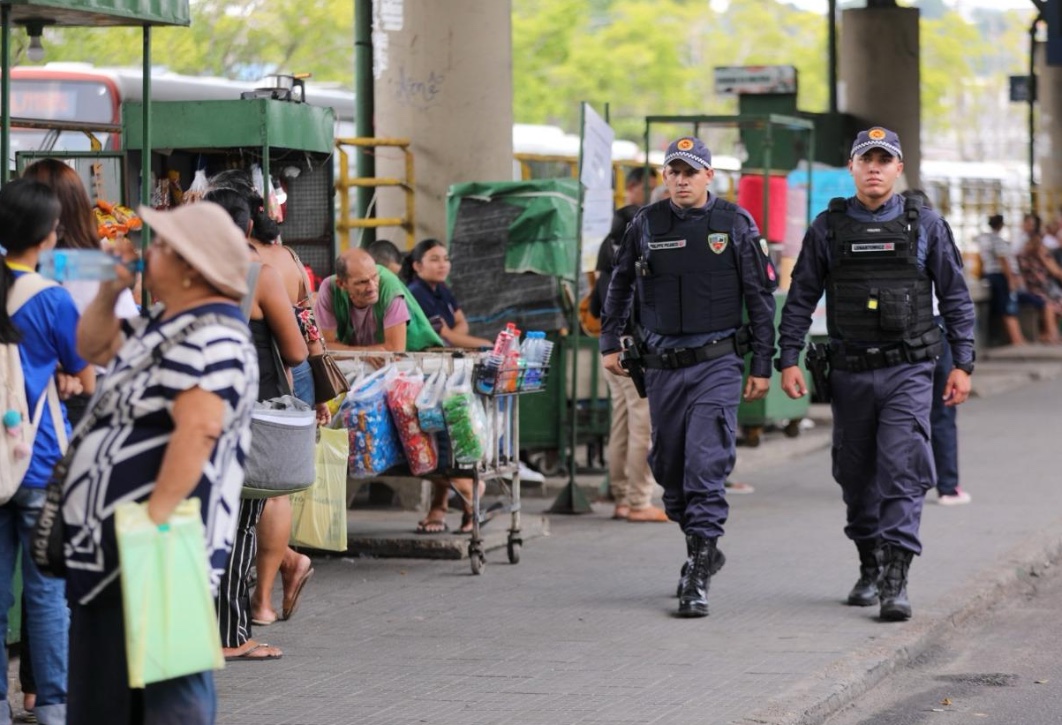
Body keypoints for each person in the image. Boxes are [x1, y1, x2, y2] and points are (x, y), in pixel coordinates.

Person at [65, 201, 259, 723]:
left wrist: (151, 527)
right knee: (105, 700)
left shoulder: (214, 334)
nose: (146, 252)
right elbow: (91, 346)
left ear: (191, 266)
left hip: (161, 550)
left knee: (170, 704)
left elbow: (198, 430)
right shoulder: (161, 322)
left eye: (160, 245)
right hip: (115, 552)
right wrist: (111, 288)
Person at [777, 127, 976, 622]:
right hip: (849, 371)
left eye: (884, 160)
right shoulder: (828, 227)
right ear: (852, 167)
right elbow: (800, 297)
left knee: (903, 470)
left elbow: (955, 298)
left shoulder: (926, 225)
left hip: (909, 369)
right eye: (866, 159)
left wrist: (964, 363)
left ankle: (896, 577)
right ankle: (869, 560)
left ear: (898, 168)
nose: (874, 167)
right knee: (854, 474)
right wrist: (786, 359)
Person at [600, 136, 779, 617]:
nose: (681, 179)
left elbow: (760, 297)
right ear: (665, 177)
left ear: (708, 176)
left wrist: (763, 363)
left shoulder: (734, 223)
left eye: (691, 171)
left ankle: (697, 571)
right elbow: (618, 286)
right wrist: (608, 342)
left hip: (716, 363)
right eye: (673, 171)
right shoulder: (646, 223)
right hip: (661, 367)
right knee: (670, 471)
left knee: (704, 464)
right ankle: (702, 541)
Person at [0, 179, 96, 725]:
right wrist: (62, 376)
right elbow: (85, 376)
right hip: (37, 464)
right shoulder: (51, 298)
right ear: (43, 236)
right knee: (46, 594)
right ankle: (53, 706)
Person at [204, 185, 321, 630]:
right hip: (247, 410)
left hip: (196, 407)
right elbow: (294, 353)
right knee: (240, 523)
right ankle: (232, 633)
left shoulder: (179, 269)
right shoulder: (259, 274)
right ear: (249, 225)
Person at [590, 177, 668, 523]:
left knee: (620, 423)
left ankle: (621, 496)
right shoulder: (638, 260)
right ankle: (639, 500)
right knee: (643, 427)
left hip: (610, 347)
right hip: (637, 350)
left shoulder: (606, 259)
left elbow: (594, 308)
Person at [901, 190, 970, 507]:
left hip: (899, 335)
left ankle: (904, 484)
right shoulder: (937, 233)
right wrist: (962, 359)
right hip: (937, 331)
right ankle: (947, 486)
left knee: (899, 412)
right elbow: (957, 297)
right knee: (941, 410)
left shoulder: (890, 240)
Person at [314, 247, 443, 352]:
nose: (372, 287)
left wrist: (349, 351)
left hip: (417, 357)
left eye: (374, 276)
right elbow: (324, 346)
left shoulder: (389, 285)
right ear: (341, 284)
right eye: (362, 282)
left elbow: (395, 351)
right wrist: (366, 354)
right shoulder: (329, 288)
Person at [401, 238, 493, 349]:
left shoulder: (441, 288)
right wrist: (488, 346)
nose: (442, 265)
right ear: (418, 266)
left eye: (446, 259)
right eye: (435, 260)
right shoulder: (416, 293)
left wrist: (450, 336)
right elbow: (439, 335)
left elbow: (461, 323)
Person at [977, 214, 1035, 346]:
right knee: (1008, 307)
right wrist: (1011, 280)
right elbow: (1003, 260)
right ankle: (1017, 339)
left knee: (999, 308)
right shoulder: (996, 239)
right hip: (1000, 276)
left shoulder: (984, 239)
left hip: (990, 275)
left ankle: (1012, 338)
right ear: (1001, 225)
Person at [1016, 213, 1062, 344]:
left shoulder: (1043, 250)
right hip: (1033, 289)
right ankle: (1051, 334)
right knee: (1049, 304)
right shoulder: (1023, 248)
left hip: (1045, 287)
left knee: (1054, 302)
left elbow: (1054, 271)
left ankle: (1049, 333)